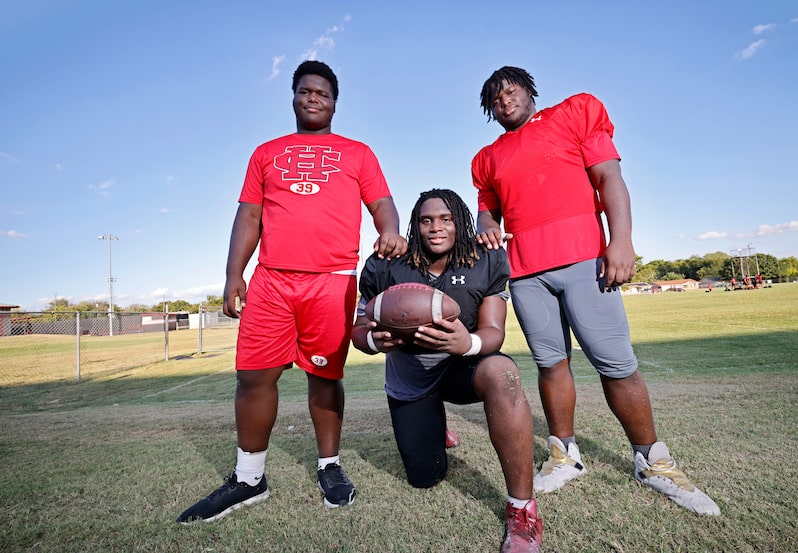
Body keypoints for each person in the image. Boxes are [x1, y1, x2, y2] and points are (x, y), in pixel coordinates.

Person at [472, 66, 720, 515]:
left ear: (530, 92)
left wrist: (620, 241)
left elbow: (609, 179)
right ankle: (564, 456)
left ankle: (652, 460)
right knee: (551, 364)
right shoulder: (487, 157)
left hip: (585, 258)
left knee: (616, 363)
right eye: (495, 98)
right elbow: (487, 213)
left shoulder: (573, 113)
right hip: (527, 272)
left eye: (512, 91)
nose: (505, 100)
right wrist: (486, 229)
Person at [177, 60, 407, 523]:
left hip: (332, 279)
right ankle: (249, 478)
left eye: (322, 92)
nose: (313, 97)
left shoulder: (358, 152)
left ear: (335, 102)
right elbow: (248, 215)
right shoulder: (266, 152)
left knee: (324, 374)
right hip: (273, 279)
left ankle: (329, 465)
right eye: (304, 91)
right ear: (294, 97)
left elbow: (381, 202)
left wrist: (390, 230)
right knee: (255, 375)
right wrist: (233, 274)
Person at [352, 189, 543, 552]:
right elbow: (358, 331)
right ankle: (434, 425)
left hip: (463, 366)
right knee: (425, 478)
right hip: (412, 379)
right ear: (415, 226)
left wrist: (466, 343)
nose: (435, 228)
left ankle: (522, 510)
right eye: (426, 220)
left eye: (446, 219)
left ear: (461, 221)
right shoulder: (389, 260)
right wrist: (375, 342)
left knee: (503, 373)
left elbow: (493, 333)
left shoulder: (484, 257)